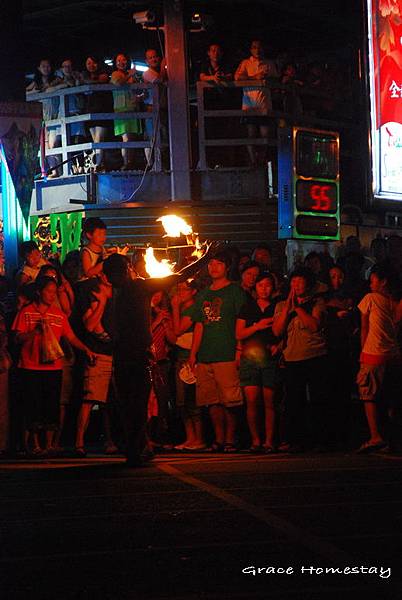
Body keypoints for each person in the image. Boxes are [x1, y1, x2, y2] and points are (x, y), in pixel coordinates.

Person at [103, 242, 217, 467]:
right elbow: (177, 276)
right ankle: (137, 450)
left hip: (124, 357)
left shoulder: (119, 292)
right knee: (137, 405)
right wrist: (204, 258)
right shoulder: (137, 287)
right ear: (127, 270)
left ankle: (138, 448)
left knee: (130, 407)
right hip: (135, 357)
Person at [12, 276, 95, 456]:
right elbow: (17, 337)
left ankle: (49, 444)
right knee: (33, 406)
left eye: (54, 292)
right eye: (48, 292)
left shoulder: (58, 314)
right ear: (39, 292)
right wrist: (34, 332)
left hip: (53, 367)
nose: (51, 295)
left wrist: (85, 349)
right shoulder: (26, 313)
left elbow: (70, 337)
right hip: (30, 367)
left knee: (51, 406)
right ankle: (34, 445)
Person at [188, 252, 246, 452]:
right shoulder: (203, 294)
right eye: (211, 263)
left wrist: (239, 349)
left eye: (219, 263)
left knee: (230, 400)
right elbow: (199, 325)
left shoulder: (235, 291)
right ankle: (219, 439)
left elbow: (241, 320)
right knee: (211, 401)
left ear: (227, 267)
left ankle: (230, 439)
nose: (213, 267)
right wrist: (193, 353)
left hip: (226, 353)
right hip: (205, 355)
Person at [272, 267, 329, 451]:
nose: (296, 284)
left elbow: (314, 326)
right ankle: (294, 439)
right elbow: (277, 331)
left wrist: (298, 308)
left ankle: (319, 439)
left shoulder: (316, 302)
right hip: (292, 358)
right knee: (293, 401)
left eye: (300, 281)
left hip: (315, 356)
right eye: (293, 281)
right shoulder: (281, 306)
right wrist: (288, 306)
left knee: (317, 399)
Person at [356, 264, 402, 452]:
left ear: (383, 282)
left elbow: (364, 328)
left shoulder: (370, 299)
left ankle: (376, 436)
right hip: (394, 354)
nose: (370, 283)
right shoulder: (397, 301)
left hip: (373, 353)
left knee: (369, 396)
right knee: (392, 397)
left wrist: (362, 351)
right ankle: (394, 437)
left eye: (373, 280)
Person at [236, 273, 279, 452]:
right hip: (249, 358)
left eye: (267, 285)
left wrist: (279, 345)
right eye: (260, 285)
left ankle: (269, 441)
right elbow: (239, 334)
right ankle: (255, 440)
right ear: (255, 288)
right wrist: (257, 326)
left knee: (270, 401)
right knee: (252, 400)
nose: (264, 289)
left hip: (269, 358)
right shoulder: (248, 307)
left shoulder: (277, 307)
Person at [171, 280, 205, 450]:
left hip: (189, 359)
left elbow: (177, 330)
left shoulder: (193, 309)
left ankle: (199, 438)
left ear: (193, 291)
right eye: (178, 289)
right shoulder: (183, 309)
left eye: (184, 289)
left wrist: (175, 308)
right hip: (179, 357)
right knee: (182, 401)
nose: (180, 292)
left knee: (192, 400)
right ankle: (190, 437)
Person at [234, 40, 278, 166]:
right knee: (251, 134)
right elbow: (237, 77)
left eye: (259, 47)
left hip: (264, 103)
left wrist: (267, 79)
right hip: (249, 104)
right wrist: (255, 78)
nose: (257, 50)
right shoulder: (245, 63)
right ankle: (253, 161)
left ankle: (262, 159)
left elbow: (276, 78)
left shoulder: (269, 64)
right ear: (250, 50)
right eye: (254, 47)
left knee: (265, 135)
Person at [26, 59, 65, 178]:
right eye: (43, 66)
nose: (46, 68)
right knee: (45, 145)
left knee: (53, 144)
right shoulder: (36, 82)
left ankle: (59, 170)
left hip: (54, 115)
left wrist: (51, 88)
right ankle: (53, 171)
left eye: (48, 66)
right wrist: (35, 92)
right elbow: (26, 93)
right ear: (39, 68)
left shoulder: (56, 80)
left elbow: (65, 84)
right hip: (42, 116)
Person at [111, 53, 143, 170]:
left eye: (123, 59)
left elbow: (138, 89)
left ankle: (131, 162)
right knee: (126, 138)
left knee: (132, 137)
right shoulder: (115, 74)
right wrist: (130, 74)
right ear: (115, 63)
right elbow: (118, 83)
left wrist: (139, 97)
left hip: (132, 108)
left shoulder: (131, 75)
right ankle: (126, 162)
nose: (121, 62)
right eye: (118, 60)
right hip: (121, 110)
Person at [81, 55, 111, 172]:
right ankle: (100, 163)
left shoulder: (103, 74)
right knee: (95, 140)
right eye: (88, 63)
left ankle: (98, 165)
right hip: (89, 110)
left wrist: (86, 81)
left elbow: (101, 80)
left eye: (93, 63)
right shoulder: (85, 76)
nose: (91, 65)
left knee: (99, 139)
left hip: (102, 109)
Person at [142, 48, 168, 167]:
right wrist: (163, 67)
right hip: (152, 110)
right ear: (147, 61)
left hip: (163, 110)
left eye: (155, 56)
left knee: (163, 137)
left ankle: (163, 163)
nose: (154, 59)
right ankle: (153, 164)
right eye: (150, 57)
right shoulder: (147, 73)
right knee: (152, 137)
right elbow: (159, 79)